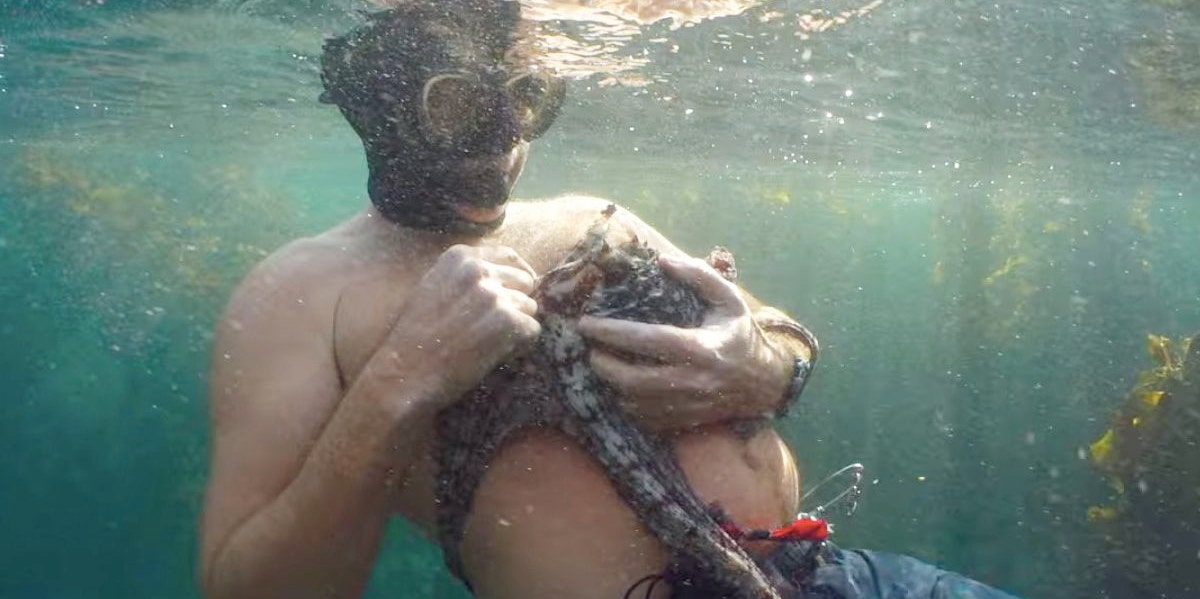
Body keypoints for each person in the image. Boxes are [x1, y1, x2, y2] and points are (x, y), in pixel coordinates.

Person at [198, 2, 1019, 598]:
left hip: (828, 577)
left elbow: (780, 337)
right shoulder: (299, 294)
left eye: (529, 99)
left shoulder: (593, 217)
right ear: (378, 97)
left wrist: (766, 368)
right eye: (456, 107)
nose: (507, 140)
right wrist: (395, 387)